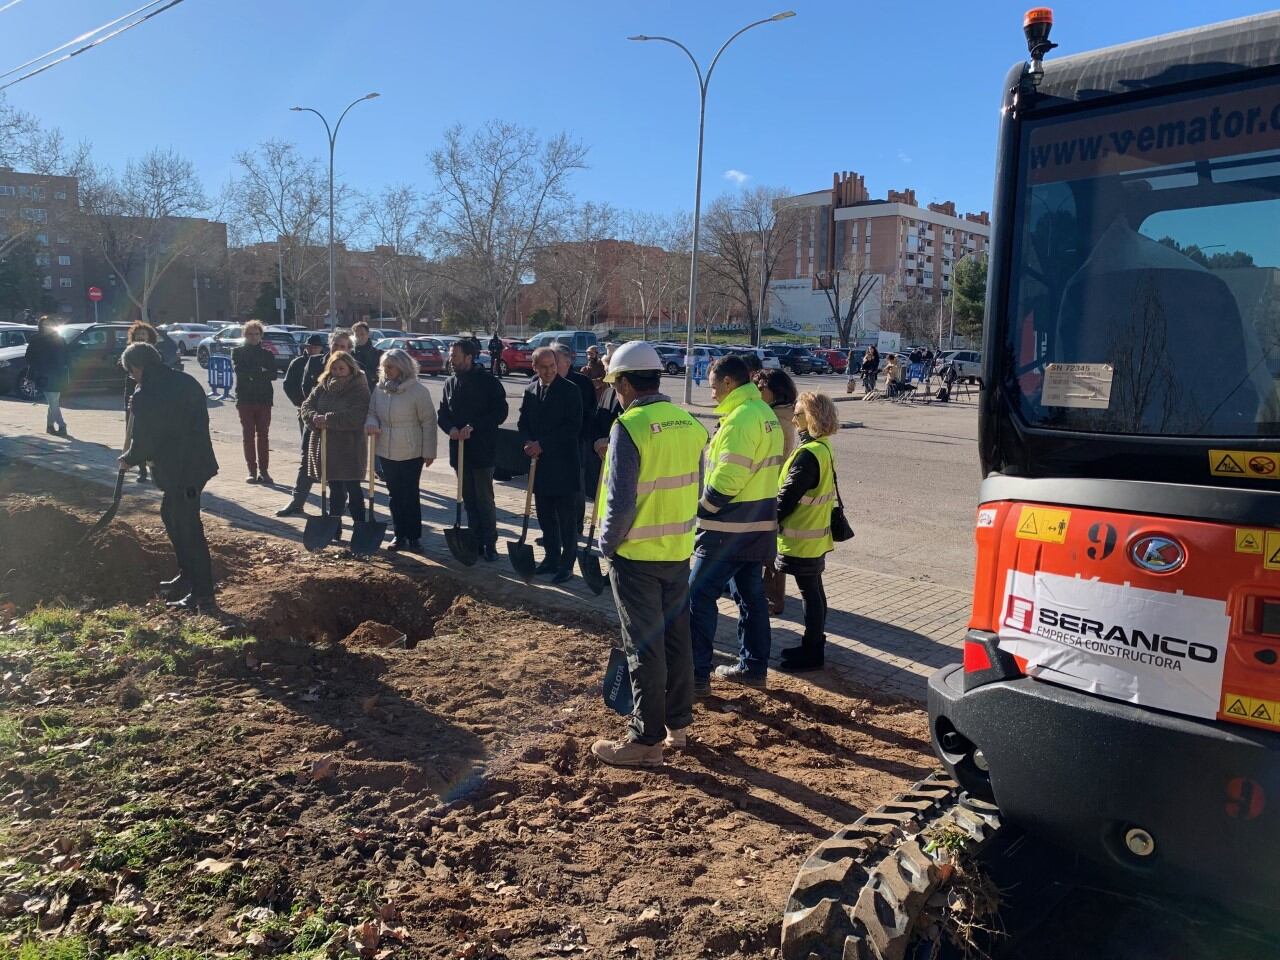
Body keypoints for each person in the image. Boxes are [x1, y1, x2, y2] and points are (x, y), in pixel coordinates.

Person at [590, 343, 708, 768]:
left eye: (614, 384)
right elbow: (695, 489)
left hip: (636, 554)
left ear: (624, 382)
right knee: (678, 641)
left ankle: (645, 739)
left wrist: (607, 545)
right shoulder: (690, 423)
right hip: (677, 551)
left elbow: (620, 505)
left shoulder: (631, 426)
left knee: (644, 647)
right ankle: (678, 725)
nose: (615, 393)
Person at [689, 354, 782, 694]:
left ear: (729, 383)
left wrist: (703, 509)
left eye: (713, 386)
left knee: (696, 596)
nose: (711, 393)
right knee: (750, 597)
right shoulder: (763, 413)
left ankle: (696, 676)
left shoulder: (741, 419)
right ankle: (753, 668)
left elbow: (728, 478)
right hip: (757, 527)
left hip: (727, 530)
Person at [117, 342, 218, 613]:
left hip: (181, 471)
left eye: (131, 372)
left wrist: (130, 458)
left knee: (188, 528)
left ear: (137, 367)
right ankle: (188, 576)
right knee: (170, 515)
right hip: (197, 464)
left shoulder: (147, 394)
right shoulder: (184, 381)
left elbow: (146, 439)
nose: (132, 377)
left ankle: (203, 594)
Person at [775, 392, 841, 672]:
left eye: (798, 414)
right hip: (815, 535)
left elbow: (786, 499)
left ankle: (812, 651)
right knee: (814, 591)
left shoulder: (807, 455)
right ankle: (813, 645)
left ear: (811, 418)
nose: (793, 418)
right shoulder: (822, 447)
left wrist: (766, 522)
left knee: (810, 593)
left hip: (801, 537)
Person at [438, 338, 509, 561]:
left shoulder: (488, 382)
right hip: (459, 451)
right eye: (450, 357)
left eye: (455, 357)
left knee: (483, 499)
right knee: (468, 499)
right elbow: (443, 413)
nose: (451, 360)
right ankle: (475, 539)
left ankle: (490, 542)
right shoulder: (450, 383)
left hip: (482, 450)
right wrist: (450, 429)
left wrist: (474, 427)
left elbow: (500, 412)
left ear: (469, 358)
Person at [517, 346, 582, 583]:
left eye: (552, 366)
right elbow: (523, 421)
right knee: (545, 517)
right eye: (543, 367)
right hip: (540, 467)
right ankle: (551, 558)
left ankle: (567, 564)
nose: (548, 371)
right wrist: (527, 442)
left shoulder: (570, 391)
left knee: (566, 519)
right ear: (534, 367)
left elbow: (572, 427)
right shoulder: (530, 389)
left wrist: (542, 444)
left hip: (563, 465)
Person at [366, 348, 436, 552]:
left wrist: (429, 450)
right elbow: (372, 412)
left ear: (402, 367)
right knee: (394, 494)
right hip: (386, 449)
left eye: (390, 367)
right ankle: (399, 535)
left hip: (411, 450)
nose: (386, 371)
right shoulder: (380, 389)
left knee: (410, 494)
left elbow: (429, 421)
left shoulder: (418, 391)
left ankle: (414, 537)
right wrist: (370, 424)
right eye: (384, 367)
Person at [278, 330, 351, 516]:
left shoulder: (355, 368)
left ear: (349, 348)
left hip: (341, 427)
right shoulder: (314, 362)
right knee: (307, 461)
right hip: (314, 423)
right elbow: (305, 393)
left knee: (339, 467)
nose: (338, 349)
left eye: (343, 346)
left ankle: (340, 507)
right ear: (330, 344)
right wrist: (312, 416)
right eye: (336, 345)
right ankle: (297, 501)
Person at [301, 350, 371, 539]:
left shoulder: (359, 387)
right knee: (335, 490)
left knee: (354, 489)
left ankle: (360, 527)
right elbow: (306, 406)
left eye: (342, 368)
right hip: (327, 446)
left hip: (350, 447)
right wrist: (314, 418)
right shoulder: (323, 385)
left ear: (350, 368)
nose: (338, 371)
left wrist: (329, 420)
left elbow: (357, 415)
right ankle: (334, 526)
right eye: (334, 368)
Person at [752, 367, 799, 615]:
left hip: (770, 490)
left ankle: (773, 601)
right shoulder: (778, 413)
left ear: (776, 391)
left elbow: (774, 458)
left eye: (761, 389)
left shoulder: (777, 419)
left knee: (770, 551)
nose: (757, 393)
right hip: (768, 489)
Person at [556, 344, 597, 530]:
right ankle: (554, 527)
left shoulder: (582, 383)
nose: (551, 366)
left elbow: (590, 413)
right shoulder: (541, 381)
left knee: (575, 486)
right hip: (549, 445)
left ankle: (575, 526)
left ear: (567, 361)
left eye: (556, 361)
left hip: (576, 443)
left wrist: (580, 436)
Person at [232, 319, 276, 485]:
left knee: (263, 435)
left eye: (256, 334)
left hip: (264, 399)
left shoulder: (268, 354)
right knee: (248, 435)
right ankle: (252, 470)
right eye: (250, 334)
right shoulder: (238, 352)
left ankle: (264, 471)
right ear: (245, 335)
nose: (253, 337)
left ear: (261, 335)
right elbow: (241, 372)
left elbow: (272, 374)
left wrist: (254, 373)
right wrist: (259, 371)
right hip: (245, 399)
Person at [124, 321, 162, 482]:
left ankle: (154, 467)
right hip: (133, 395)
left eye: (144, 336)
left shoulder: (154, 354)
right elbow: (121, 367)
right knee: (134, 432)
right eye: (138, 336)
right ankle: (141, 469)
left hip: (152, 397)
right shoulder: (129, 353)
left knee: (152, 433)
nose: (141, 338)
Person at [24, 315, 68, 438]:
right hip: (44, 374)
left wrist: (66, 366)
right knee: (53, 400)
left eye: (50, 324)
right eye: (44, 324)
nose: (47, 327)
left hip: (58, 373)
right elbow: (29, 357)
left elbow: (66, 355)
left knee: (53, 401)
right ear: (41, 326)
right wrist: (37, 369)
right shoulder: (36, 339)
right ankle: (62, 425)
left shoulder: (59, 339)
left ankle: (49, 426)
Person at [753, 368, 798, 457]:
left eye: (760, 388)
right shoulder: (786, 411)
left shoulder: (773, 417)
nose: (757, 392)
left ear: (776, 389)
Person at [352, 322, 383, 390]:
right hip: (353, 391)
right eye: (357, 335)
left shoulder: (378, 354)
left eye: (362, 334)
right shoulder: (350, 354)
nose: (359, 337)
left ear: (368, 334)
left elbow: (382, 373)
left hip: (373, 390)